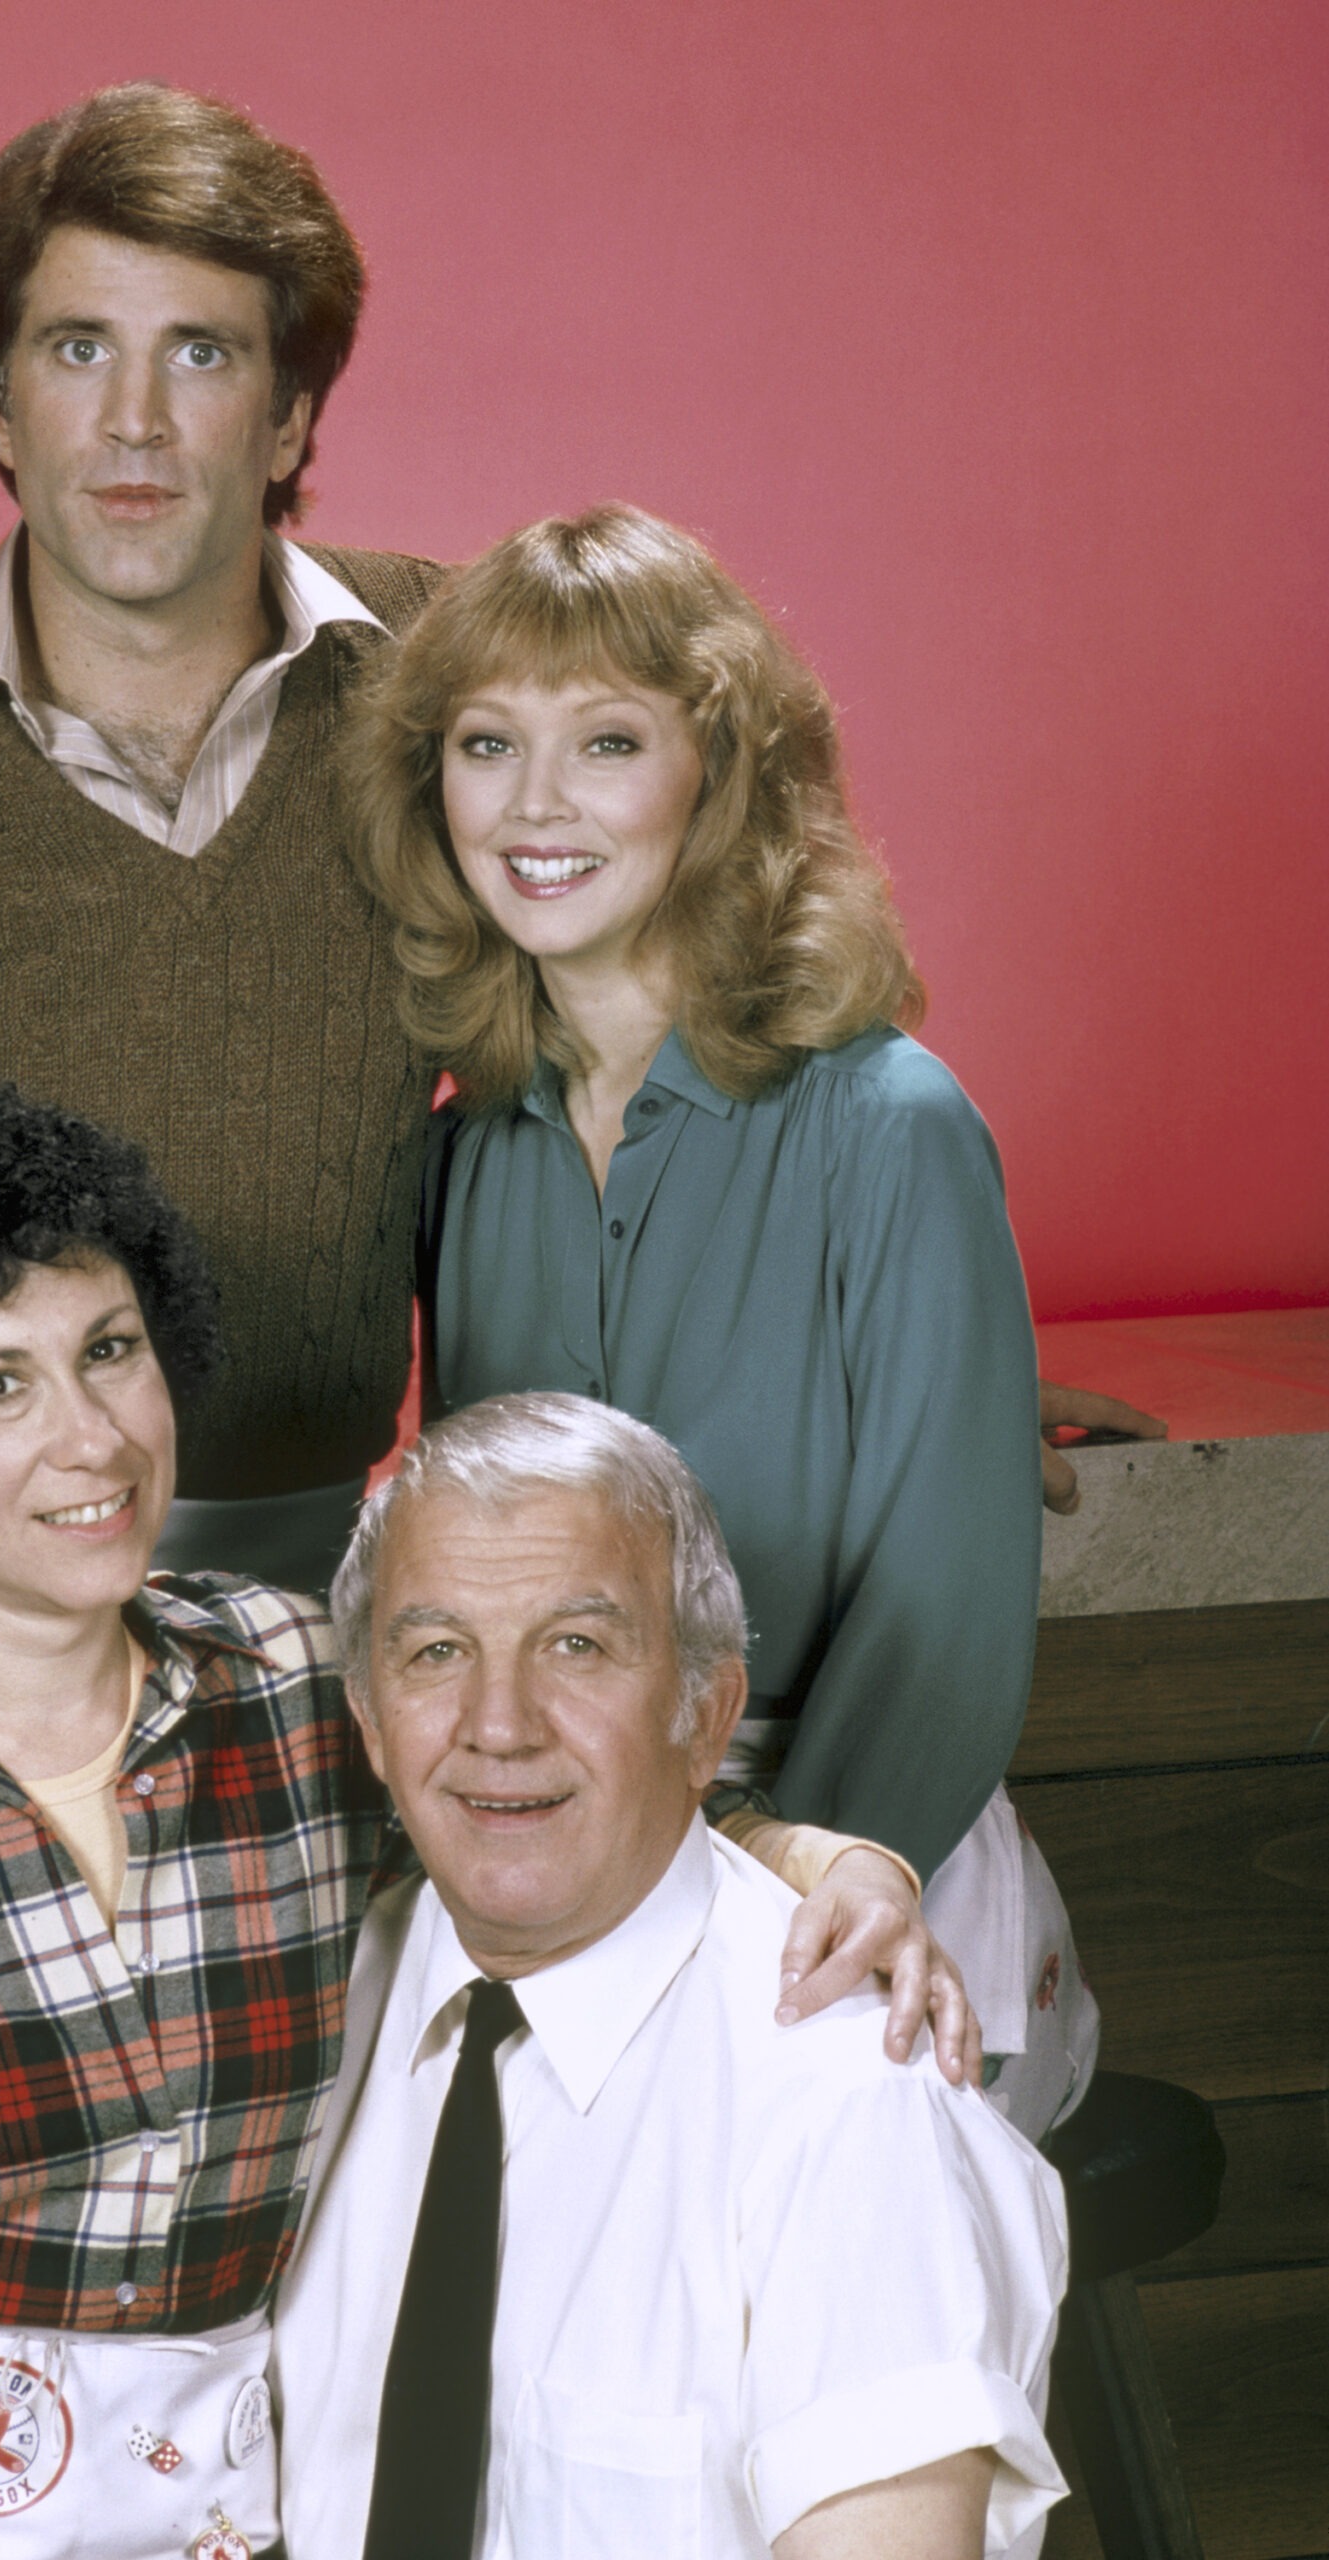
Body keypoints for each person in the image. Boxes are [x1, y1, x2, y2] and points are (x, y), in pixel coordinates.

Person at [0, 85, 1156, 1678]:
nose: (132, 423)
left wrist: (891, 1366)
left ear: (284, 418)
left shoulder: (443, 690)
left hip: (309, 1606)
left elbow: (697, 957)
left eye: (200, 353)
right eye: (73, 350)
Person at [0, 1081, 965, 2560]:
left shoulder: (293, 1684)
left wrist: (830, 1857)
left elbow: (557, 1797)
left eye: (109, 1353)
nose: (92, 1439)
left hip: (217, 2514)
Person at [347, 504, 1103, 2136]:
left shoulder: (888, 1125)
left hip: (849, 1882)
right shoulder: (463, 1142)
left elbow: (941, 1612)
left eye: (605, 741)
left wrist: (801, 1866)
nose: (534, 806)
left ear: (721, 779)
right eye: (487, 745)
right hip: (557, 1867)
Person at [272, 1393, 1070, 2560]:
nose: (498, 1723)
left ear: (705, 1715)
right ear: (372, 1721)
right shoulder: (309, 1994)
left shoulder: (846, 2100)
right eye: (437, 1650)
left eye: (577, 1646)